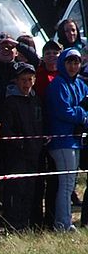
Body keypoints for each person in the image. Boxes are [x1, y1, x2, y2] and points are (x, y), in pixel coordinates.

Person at [0, 64, 45, 231]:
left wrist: (39, 143)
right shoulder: (10, 102)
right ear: (17, 81)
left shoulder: (36, 100)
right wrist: (20, 143)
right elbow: (6, 129)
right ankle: (13, 224)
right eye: (23, 80)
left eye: (29, 80)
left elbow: (40, 125)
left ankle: (25, 223)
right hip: (17, 155)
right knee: (16, 190)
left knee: (30, 191)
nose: (26, 83)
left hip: (34, 152)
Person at [46, 48, 88, 231]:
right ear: (62, 63)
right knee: (66, 184)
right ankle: (62, 223)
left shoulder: (80, 84)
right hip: (62, 140)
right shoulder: (57, 85)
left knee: (70, 184)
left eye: (76, 62)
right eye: (69, 62)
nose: (73, 66)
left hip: (75, 140)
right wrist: (82, 116)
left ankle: (65, 221)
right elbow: (64, 111)